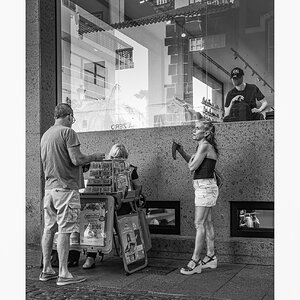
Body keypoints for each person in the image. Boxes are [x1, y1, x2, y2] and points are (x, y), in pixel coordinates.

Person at [40, 103, 105, 286]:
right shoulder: (67, 132)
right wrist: (93, 157)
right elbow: (77, 159)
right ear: (69, 116)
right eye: (72, 118)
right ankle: (63, 273)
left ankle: (46, 270)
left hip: (50, 189)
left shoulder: (45, 135)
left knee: (49, 228)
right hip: (66, 189)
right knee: (65, 230)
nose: (72, 122)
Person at [82, 143, 143, 269]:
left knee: (96, 226)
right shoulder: (130, 169)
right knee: (121, 226)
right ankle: (129, 255)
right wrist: (135, 196)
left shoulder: (102, 167)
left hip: (103, 205)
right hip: (120, 206)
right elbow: (138, 186)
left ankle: (90, 258)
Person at [173, 120, 219, 275]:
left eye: (197, 128)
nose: (194, 130)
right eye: (194, 127)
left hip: (205, 188)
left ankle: (195, 261)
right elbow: (194, 162)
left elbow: (192, 167)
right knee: (207, 222)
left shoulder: (204, 145)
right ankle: (211, 256)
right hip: (204, 186)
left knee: (199, 223)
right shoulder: (202, 146)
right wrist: (181, 151)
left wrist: (192, 160)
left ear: (206, 133)